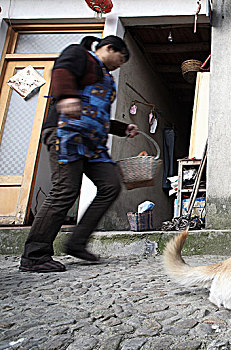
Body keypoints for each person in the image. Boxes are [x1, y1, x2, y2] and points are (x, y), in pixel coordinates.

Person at [19, 35, 138, 273]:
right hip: (66, 134)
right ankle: (34, 254)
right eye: (120, 58)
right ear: (108, 48)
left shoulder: (105, 77)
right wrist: (66, 97)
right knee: (66, 190)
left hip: (93, 145)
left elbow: (97, 114)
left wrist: (122, 129)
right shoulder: (78, 54)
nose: (120, 65)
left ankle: (76, 242)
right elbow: (61, 70)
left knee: (111, 184)